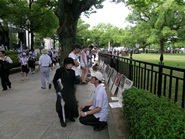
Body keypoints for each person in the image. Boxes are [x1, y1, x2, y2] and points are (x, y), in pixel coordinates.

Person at [53, 57, 80, 127]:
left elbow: (74, 81)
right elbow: (55, 80)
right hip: (62, 90)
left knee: (71, 104)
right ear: (66, 64)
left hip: (70, 90)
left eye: (72, 64)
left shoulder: (72, 72)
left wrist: (78, 80)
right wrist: (57, 89)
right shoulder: (60, 70)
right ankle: (62, 119)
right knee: (61, 105)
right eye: (70, 64)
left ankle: (70, 116)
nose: (71, 66)